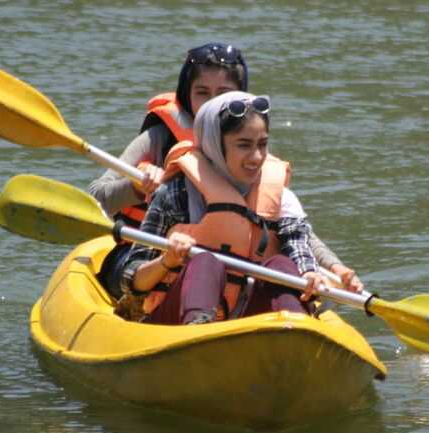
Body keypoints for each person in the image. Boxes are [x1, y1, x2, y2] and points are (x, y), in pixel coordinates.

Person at [88, 43, 362, 301]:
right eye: (202, 93)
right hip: (147, 250)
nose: (210, 104)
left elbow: (289, 225)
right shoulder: (159, 138)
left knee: (280, 263)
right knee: (196, 265)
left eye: (222, 94)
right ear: (187, 94)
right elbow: (96, 198)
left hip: (236, 266)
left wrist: (335, 268)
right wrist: (136, 187)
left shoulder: (249, 145)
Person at [120, 92, 329, 325]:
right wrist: (167, 260)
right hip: (175, 321)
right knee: (205, 262)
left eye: (262, 144)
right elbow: (131, 280)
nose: (256, 157)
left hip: (247, 316)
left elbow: (299, 248)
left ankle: (297, 331)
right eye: (243, 145)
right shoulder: (175, 195)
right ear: (215, 145)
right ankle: (198, 329)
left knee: (282, 265)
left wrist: (309, 274)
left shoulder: (282, 198)